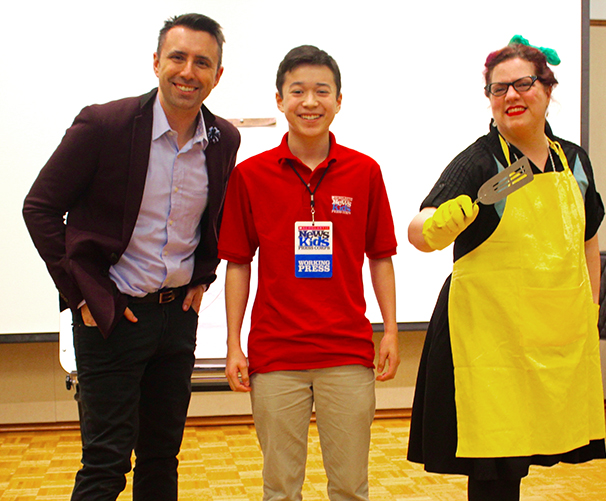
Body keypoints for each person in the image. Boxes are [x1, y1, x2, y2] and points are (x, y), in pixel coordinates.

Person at [23, 13, 240, 501]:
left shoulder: (224, 138)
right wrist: (82, 295)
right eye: (178, 57)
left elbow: (213, 219)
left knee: (162, 458)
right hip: (111, 317)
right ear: (157, 62)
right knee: (105, 463)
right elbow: (39, 207)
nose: (189, 71)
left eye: (202, 62)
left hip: (176, 319)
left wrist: (203, 279)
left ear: (217, 75)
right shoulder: (105, 124)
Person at [406, 35, 606, 501]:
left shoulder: (574, 161)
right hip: (488, 342)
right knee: (495, 465)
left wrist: (590, 310)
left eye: (522, 84)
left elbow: (589, 238)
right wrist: (434, 226)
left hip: (551, 335)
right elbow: (419, 228)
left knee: (532, 447)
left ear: (548, 88)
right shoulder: (481, 161)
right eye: (498, 89)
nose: (511, 96)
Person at [219, 45, 400, 501]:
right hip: (276, 355)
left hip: (347, 351)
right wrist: (232, 343)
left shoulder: (365, 172)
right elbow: (238, 263)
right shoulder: (250, 176)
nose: (310, 102)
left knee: (350, 487)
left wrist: (392, 332)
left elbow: (381, 256)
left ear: (339, 100)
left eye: (322, 91)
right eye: (297, 91)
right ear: (279, 100)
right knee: (280, 488)